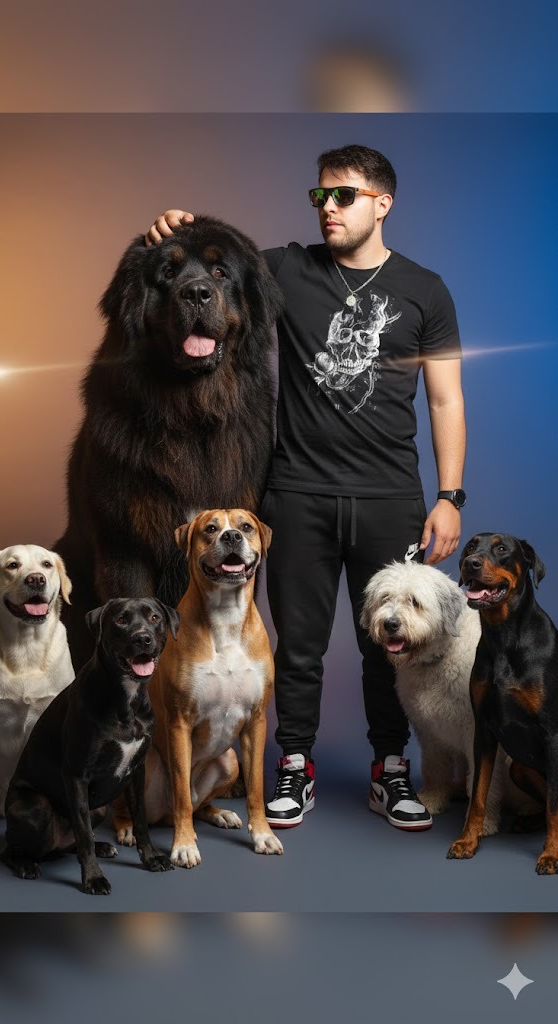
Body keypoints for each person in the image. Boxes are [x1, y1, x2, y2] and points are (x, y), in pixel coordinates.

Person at [145, 144, 466, 831]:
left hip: (389, 495)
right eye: (319, 196)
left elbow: (445, 400)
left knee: (393, 643)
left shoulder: (425, 289)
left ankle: (390, 766)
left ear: (382, 203)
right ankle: (293, 764)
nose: (327, 209)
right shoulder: (286, 268)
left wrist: (449, 495)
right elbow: (217, 261)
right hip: (296, 493)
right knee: (297, 643)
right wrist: (183, 227)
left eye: (343, 196)